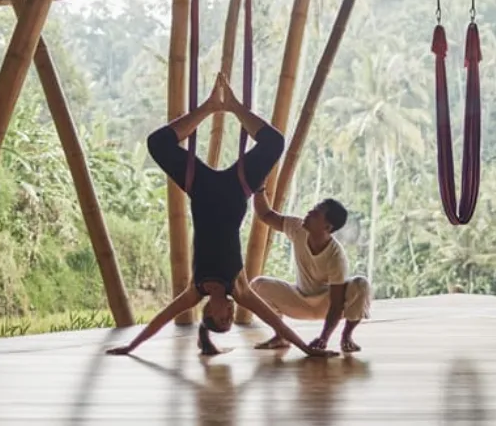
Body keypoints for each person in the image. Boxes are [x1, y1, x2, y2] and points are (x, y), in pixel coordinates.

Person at [107, 74, 334, 358]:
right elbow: (275, 322)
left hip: (201, 188)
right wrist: (307, 350)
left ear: (209, 312)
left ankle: (212, 107)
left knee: (157, 143)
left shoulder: (195, 289)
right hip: (235, 189)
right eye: (231, 319)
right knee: (274, 143)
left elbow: (160, 320)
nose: (230, 314)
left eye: (223, 319)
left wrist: (131, 346)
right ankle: (235, 107)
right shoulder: (239, 289)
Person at [249, 192, 371, 354]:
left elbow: (335, 305)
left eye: (316, 213)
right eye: (313, 209)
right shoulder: (297, 228)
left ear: (327, 227)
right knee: (257, 285)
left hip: (325, 306)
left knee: (361, 284)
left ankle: (346, 337)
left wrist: (324, 338)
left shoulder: (336, 256)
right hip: (299, 301)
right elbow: (266, 215)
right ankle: (281, 336)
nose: (309, 212)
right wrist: (259, 189)